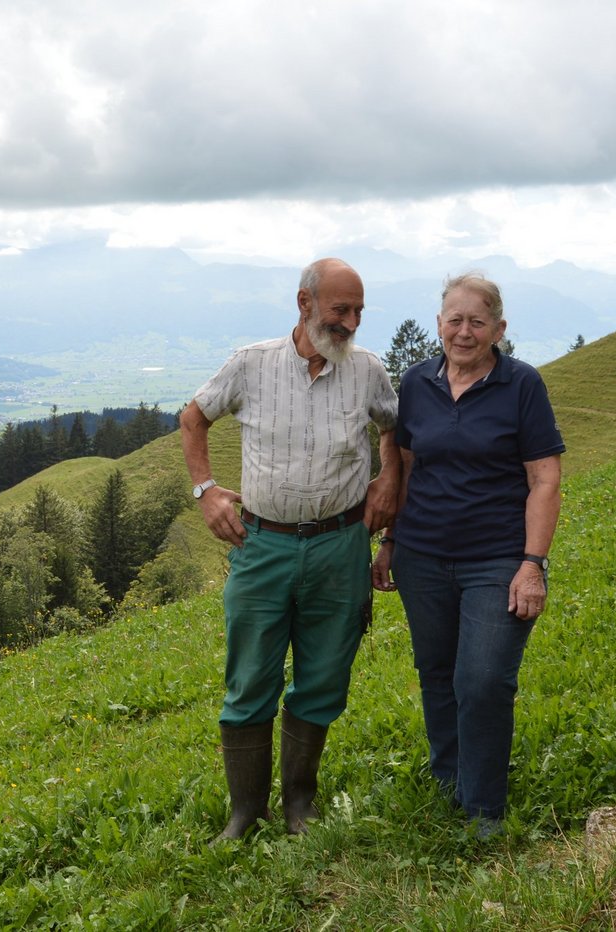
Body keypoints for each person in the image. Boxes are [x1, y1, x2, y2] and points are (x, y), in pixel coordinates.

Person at [180, 257, 401, 839]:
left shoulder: (368, 371)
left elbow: (394, 426)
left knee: (324, 675)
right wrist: (205, 492)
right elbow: (192, 418)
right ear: (304, 305)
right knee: (250, 678)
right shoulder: (251, 366)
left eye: (357, 312)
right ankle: (244, 814)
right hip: (264, 545)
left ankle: (299, 807)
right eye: (340, 310)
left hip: (340, 546)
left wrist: (390, 476)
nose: (351, 323)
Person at [372, 272, 564, 837]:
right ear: (438, 325)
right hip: (422, 556)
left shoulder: (521, 385)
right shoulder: (416, 384)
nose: (463, 331)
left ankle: (483, 810)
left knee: (482, 679)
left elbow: (544, 479)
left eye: (477, 322)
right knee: (436, 672)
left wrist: (533, 564)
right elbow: (404, 468)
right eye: (454, 320)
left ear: (498, 329)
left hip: (497, 558)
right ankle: (448, 780)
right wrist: (390, 541)